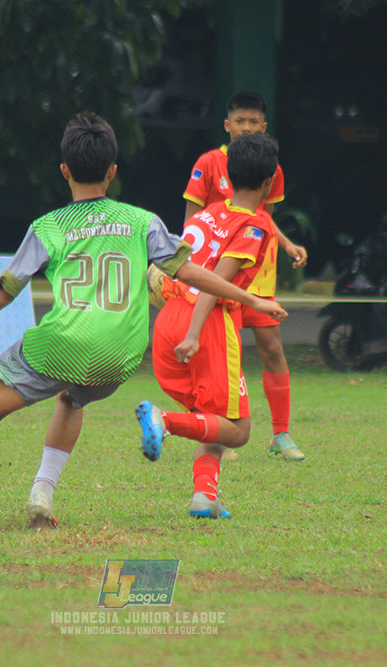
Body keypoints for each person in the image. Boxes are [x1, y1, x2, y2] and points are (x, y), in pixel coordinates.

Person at [0, 112, 286, 532]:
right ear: (112, 171)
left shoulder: (48, 227)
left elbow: (6, 290)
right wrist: (251, 297)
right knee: (71, 398)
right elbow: (190, 272)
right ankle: (41, 495)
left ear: (64, 171)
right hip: (119, 357)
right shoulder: (142, 221)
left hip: (63, 345)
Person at [137, 132, 283, 519]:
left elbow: (179, 268)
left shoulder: (205, 215)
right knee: (238, 429)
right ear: (270, 181)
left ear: (228, 174)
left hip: (170, 316)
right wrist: (195, 333)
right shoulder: (255, 225)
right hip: (208, 323)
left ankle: (205, 497)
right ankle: (163, 421)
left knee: (212, 420)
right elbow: (214, 283)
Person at [183, 91, 307, 463]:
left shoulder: (270, 166)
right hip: (217, 275)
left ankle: (281, 434)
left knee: (272, 349)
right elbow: (192, 222)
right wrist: (189, 270)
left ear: (264, 126)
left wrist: (286, 244)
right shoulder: (208, 162)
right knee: (220, 356)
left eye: (254, 122)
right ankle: (217, 432)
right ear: (227, 125)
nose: (247, 127)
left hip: (256, 273)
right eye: (240, 121)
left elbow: (262, 217)